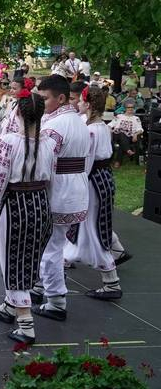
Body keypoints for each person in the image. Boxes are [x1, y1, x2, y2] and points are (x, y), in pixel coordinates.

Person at [0, 88, 53, 345]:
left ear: (16, 112)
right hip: (40, 206)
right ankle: (9, 306)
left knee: (14, 262)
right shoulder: (48, 142)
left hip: (18, 205)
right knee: (28, 260)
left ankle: (26, 325)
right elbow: (52, 181)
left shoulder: (9, 142)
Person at [31, 75, 90, 323]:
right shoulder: (76, 121)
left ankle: (56, 300)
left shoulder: (56, 125)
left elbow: (43, 160)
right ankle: (42, 286)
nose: (41, 103)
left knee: (51, 247)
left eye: (45, 99)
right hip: (75, 188)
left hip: (59, 191)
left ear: (61, 98)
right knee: (53, 243)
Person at [65, 86, 125, 301]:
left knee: (93, 230)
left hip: (93, 183)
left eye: (80, 101)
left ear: (88, 104)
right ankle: (65, 258)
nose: (78, 104)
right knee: (88, 227)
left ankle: (111, 282)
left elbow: (87, 164)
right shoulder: (100, 126)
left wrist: (76, 185)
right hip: (102, 180)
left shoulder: (91, 131)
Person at [109, 99, 143, 166]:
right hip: (117, 135)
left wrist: (136, 134)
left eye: (132, 107)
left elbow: (140, 129)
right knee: (121, 133)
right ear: (125, 108)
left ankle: (118, 162)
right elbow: (110, 125)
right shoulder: (119, 116)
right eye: (128, 107)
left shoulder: (136, 118)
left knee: (122, 142)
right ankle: (128, 150)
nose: (130, 109)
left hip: (129, 137)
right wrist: (109, 130)